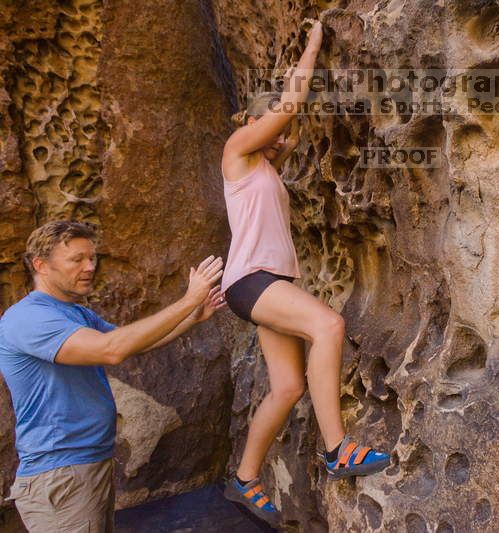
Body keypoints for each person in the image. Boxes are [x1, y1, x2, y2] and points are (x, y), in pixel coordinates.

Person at [220, 19, 390, 525]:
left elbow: (286, 130)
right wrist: (313, 45)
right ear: (254, 123)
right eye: (272, 123)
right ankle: (338, 448)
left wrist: (287, 141)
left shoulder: (263, 167)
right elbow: (287, 107)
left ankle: (244, 479)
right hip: (252, 280)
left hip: (269, 283)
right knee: (328, 325)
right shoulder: (236, 151)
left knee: (287, 387)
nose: (282, 132)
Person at [0, 220, 226, 532]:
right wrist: (188, 299)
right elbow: (112, 350)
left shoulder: (75, 313)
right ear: (41, 265)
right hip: (61, 474)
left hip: (86, 465)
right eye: (77, 259)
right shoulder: (29, 317)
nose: (89, 266)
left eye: (92, 258)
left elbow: (132, 343)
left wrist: (192, 317)